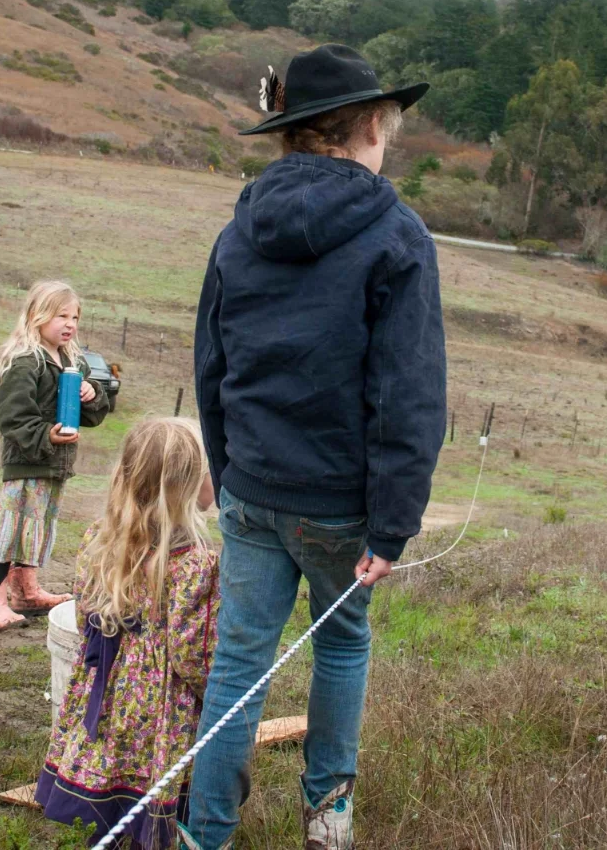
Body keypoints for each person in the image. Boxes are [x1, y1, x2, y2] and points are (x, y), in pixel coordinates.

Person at [185, 44, 446, 850]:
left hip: (252, 489)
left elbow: (212, 367)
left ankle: (205, 833)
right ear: (370, 127)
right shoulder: (397, 234)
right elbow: (407, 392)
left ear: (292, 132)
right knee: (341, 642)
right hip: (337, 503)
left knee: (238, 661)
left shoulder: (238, 231)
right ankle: (328, 825)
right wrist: (391, 524)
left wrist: (229, 474)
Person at [36, 417, 219, 848]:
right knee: (149, 781)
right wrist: (217, 690)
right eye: (208, 469)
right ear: (187, 486)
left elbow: (84, 615)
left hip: (106, 690)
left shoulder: (99, 540)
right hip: (158, 706)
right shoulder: (194, 563)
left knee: (112, 774)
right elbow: (192, 654)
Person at [0, 280, 111, 631]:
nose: (70, 324)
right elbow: (12, 417)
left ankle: (25, 591)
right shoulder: (25, 361)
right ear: (37, 315)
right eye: (61, 316)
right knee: (11, 527)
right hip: (25, 462)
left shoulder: (71, 362)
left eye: (75, 317)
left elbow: (92, 415)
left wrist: (91, 392)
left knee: (38, 525)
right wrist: (45, 436)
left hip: (54, 461)